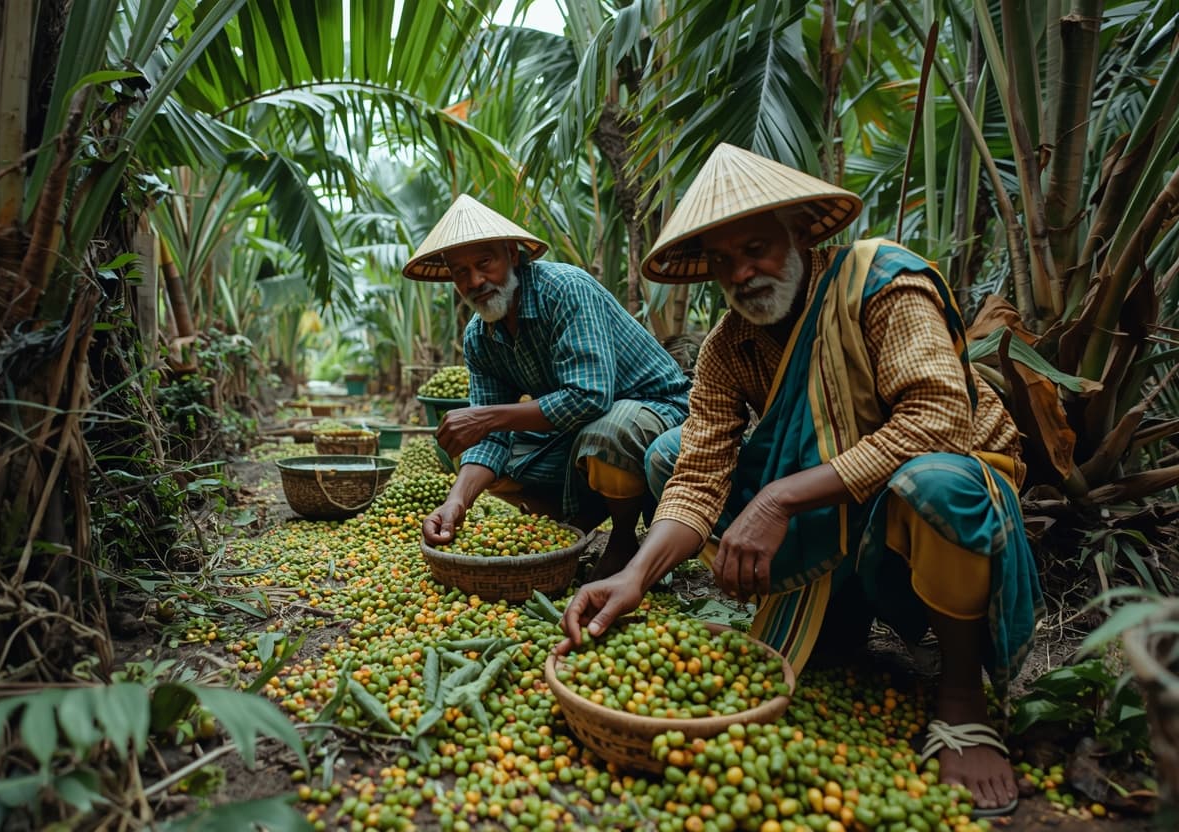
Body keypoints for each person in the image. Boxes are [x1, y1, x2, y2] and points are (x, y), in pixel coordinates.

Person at [558, 144, 1043, 817]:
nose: (742, 272)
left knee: (933, 486)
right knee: (669, 452)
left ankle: (962, 695)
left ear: (801, 235)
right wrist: (635, 577)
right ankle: (837, 603)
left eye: (757, 247)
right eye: (723, 261)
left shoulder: (882, 284)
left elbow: (936, 422)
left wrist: (780, 497)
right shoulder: (729, 346)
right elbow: (697, 474)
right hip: (847, 501)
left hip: (945, 481)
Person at [403, 195, 690, 578]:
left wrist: (486, 418)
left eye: (484, 263)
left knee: (607, 432)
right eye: (460, 272)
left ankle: (623, 538)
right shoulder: (479, 337)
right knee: (469, 449)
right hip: (577, 430)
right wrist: (455, 502)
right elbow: (492, 439)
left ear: (512, 254)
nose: (474, 282)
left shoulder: (565, 290)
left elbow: (590, 397)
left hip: (655, 409)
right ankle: (577, 520)